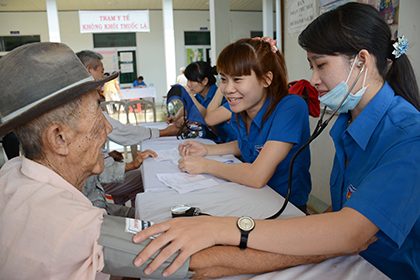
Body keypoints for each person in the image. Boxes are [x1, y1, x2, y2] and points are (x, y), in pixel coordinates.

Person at [131, 3, 420, 280]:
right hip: (346, 257)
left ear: (362, 62)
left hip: (384, 270)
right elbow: (342, 214)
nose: (313, 79)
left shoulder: (409, 134)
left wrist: (227, 229)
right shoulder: (346, 123)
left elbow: (352, 232)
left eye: (320, 65)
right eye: (311, 66)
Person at [178, 38, 312, 212]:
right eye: (224, 79)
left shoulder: (291, 106)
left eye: (238, 79)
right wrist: (207, 150)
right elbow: (249, 145)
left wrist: (205, 165)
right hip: (251, 197)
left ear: (265, 79)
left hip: (284, 208)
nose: (227, 89)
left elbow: (257, 176)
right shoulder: (243, 107)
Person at [166, 61, 234, 142]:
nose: (188, 84)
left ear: (205, 81)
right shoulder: (199, 96)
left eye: (192, 80)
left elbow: (213, 124)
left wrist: (194, 120)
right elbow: (187, 109)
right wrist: (174, 118)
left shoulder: (221, 98)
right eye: (187, 80)